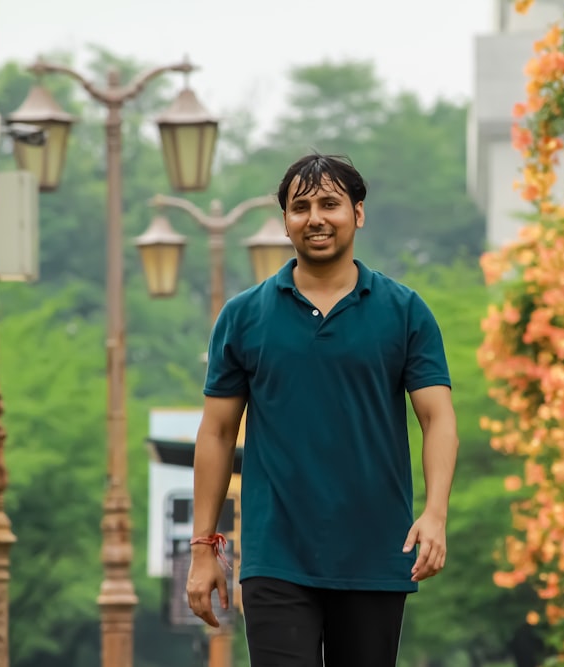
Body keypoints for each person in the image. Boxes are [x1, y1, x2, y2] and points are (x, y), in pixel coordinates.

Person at [185, 153, 459, 667]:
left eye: (330, 204)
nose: (315, 218)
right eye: (300, 206)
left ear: (358, 212)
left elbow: (438, 418)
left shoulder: (404, 312)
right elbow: (217, 433)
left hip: (377, 551)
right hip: (276, 556)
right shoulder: (244, 317)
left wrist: (435, 515)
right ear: (285, 222)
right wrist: (204, 549)